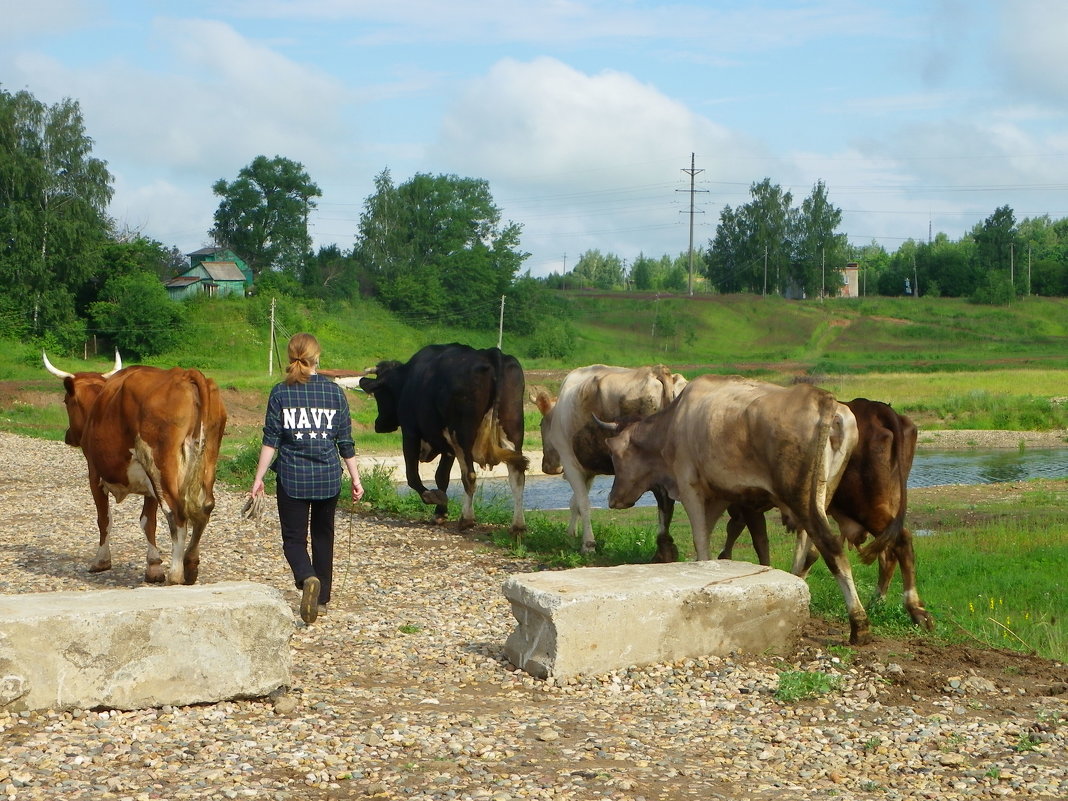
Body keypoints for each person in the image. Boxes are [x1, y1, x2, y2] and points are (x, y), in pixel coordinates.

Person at [251, 333, 363, 624]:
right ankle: (322, 599)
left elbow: (271, 440)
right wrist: (355, 478)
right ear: (317, 358)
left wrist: (258, 478)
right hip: (328, 478)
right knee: (324, 537)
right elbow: (345, 442)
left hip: (292, 478)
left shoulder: (280, 392)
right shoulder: (334, 393)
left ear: (291, 358)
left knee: (293, 539)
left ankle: (306, 577)